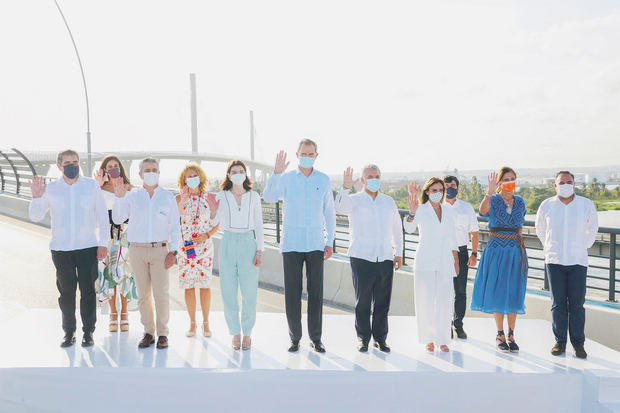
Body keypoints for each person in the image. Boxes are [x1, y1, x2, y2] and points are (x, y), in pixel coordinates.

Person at [29, 149, 108, 348]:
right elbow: (36, 216)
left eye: (75, 161)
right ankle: (69, 332)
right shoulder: (52, 189)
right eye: (67, 162)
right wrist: (37, 197)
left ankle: (88, 332)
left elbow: (102, 216)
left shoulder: (91, 186)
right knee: (66, 294)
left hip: (87, 247)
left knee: (88, 291)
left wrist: (103, 243)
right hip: (61, 249)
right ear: (59, 165)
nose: (72, 165)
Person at [263, 138, 336, 353]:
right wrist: (275, 173)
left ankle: (316, 338)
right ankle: (295, 338)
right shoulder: (285, 179)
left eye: (311, 153)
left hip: (315, 243)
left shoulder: (323, 180)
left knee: (316, 293)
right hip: (292, 243)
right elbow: (268, 197)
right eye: (303, 153)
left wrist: (329, 241)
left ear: (316, 156)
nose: (307, 156)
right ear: (297, 155)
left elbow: (329, 213)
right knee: (292, 293)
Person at [112, 157, 181, 349]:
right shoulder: (132, 196)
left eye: (154, 169)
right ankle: (148, 332)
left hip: (160, 250)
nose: (151, 172)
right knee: (143, 295)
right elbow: (118, 218)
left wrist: (173, 252)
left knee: (161, 294)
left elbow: (175, 227)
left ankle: (163, 333)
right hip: (137, 250)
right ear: (141, 174)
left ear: (158, 173)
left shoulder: (167, 197)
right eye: (147, 170)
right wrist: (118, 198)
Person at [335, 165, 403, 353]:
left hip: (385, 257)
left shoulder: (389, 202)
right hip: (361, 257)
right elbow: (339, 207)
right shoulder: (354, 200)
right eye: (370, 176)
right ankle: (363, 338)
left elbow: (397, 228)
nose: (374, 179)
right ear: (363, 180)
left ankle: (380, 339)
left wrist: (399, 252)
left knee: (382, 302)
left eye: (377, 176)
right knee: (363, 301)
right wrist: (345, 187)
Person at [535, 171, 598, 359]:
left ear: (574, 184)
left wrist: (582, 246)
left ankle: (578, 344)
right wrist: (549, 248)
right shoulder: (546, 205)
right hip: (554, 261)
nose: (565, 184)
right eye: (561, 182)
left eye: (568, 182)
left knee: (577, 305)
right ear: (555, 185)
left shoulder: (586, 205)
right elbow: (540, 229)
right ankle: (559, 342)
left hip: (578, 261)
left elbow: (592, 228)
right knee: (558, 304)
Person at [470, 167, 528, 353]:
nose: (510, 181)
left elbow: (519, 227)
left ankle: (512, 334)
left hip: (515, 251)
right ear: (500, 182)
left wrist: (520, 250)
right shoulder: (493, 200)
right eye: (506, 179)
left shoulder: (520, 202)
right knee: (498, 290)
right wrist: (489, 191)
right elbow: (482, 210)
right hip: (496, 250)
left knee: (514, 291)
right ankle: (500, 333)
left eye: (513, 178)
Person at [211, 160, 264, 350]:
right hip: (228, 242)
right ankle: (235, 332)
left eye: (241, 171)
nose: (238, 173)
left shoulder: (254, 196)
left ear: (246, 174)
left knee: (249, 292)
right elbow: (214, 221)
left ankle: (247, 333)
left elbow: (259, 224)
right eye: (234, 171)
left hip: (248, 243)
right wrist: (212, 210)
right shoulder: (221, 196)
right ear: (228, 175)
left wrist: (260, 250)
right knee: (228, 291)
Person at [403, 178, 459, 352]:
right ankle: (428, 338)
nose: (438, 193)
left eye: (440, 190)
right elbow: (409, 229)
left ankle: (442, 339)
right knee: (425, 300)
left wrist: (456, 260)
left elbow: (452, 237)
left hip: (445, 259)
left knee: (445, 300)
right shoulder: (421, 209)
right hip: (425, 259)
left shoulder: (448, 210)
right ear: (427, 192)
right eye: (434, 190)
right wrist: (412, 213)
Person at [175, 163, 219, 338]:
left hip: (205, 247)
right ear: (183, 180)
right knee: (189, 286)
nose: (192, 178)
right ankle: (192, 323)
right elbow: (173, 219)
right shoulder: (178, 198)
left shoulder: (209, 198)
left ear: (200, 177)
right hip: (186, 248)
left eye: (195, 175)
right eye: (188, 176)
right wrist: (182, 202)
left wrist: (207, 235)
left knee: (205, 285)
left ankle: (206, 323)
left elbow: (217, 222)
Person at [94, 155, 137, 333]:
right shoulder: (98, 189)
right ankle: (113, 313)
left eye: (116, 165)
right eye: (109, 166)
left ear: (121, 168)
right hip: (106, 235)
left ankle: (125, 313)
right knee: (109, 273)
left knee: (125, 274)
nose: (113, 168)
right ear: (104, 169)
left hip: (125, 235)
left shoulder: (129, 189)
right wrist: (96, 185)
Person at [443, 175, 479, 339]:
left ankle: (458, 325)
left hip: (462, 252)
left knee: (460, 291)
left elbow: (474, 232)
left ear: (457, 188)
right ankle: (444, 325)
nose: (451, 187)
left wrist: (474, 253)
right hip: (442, 252)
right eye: (447, 185)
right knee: (443, 290)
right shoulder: (437, 207)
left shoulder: (466, 208)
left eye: (453, 185)